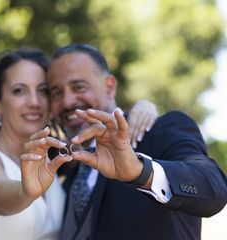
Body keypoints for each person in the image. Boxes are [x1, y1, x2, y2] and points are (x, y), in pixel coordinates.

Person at [0, 48, 158, 240]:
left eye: (43, 91)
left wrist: (143, 108)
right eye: (19, 91)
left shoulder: (54, 161)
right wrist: (25, 192)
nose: (34, 102)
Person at [35, 43, 226, 240]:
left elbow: (214, 189)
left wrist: (140, 172)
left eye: (79, 87)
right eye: (57, 93)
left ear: (110, 87)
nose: (67, 101)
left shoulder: (159, 130)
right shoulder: (68, 170)